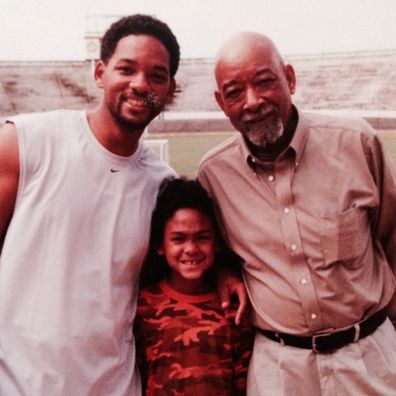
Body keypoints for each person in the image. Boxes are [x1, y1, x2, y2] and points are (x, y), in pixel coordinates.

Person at [0, 15, 246, 395]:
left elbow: (180, 259)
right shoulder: (28, 143)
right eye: (126, 69)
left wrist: (224, 271)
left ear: (169, 90)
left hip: (116, 386)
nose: (140, 85)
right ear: (100, 73)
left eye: (156, 76)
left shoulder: (160, 185)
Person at [197, 31, 396, 395]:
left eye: (264, 81)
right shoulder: (213, 175)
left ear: (289, 78)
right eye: (234, 92)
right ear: (221, 103)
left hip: (369, 360)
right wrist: (225, 269)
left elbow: (393, 238)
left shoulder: (356, 143)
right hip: (280, 372)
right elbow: (212, 251)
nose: (253, 101)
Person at [134, 177, 253, 395]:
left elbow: (243, 382)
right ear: (160, 245)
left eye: (202, 237)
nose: (191, 248)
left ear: (217, 241)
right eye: (178, 239)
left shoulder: (234, 308)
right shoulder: (142, 307)